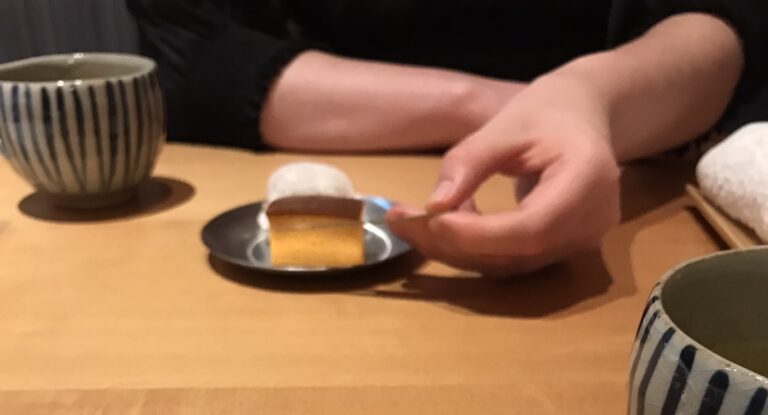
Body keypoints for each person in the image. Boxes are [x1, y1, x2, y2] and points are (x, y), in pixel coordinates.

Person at [129, 1, 767, 274]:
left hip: (646, 175)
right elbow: (193, 56)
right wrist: (503, 107)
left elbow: (725, 21)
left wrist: (590, 101)